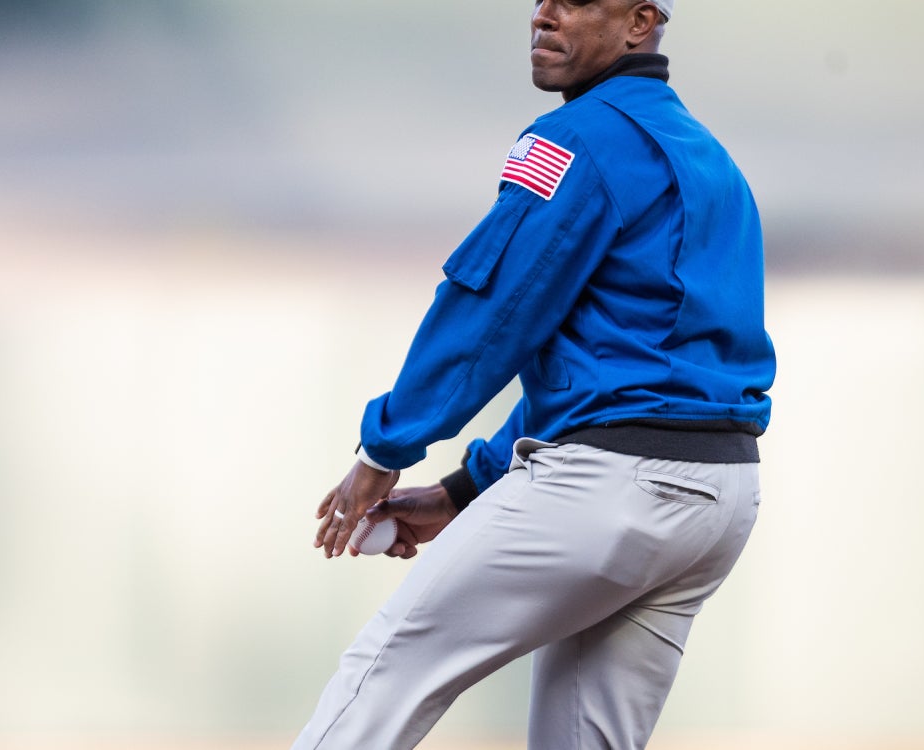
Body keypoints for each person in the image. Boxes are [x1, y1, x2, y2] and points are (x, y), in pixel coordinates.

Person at [296, 1, 775, 748]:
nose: (545, 15)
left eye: (576, 0)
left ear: (640, 21)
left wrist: (384, 449)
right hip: (717, 498)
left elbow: (493, 309)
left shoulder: (577, 138)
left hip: (610, 489)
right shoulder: (711, 160)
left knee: (385, 672)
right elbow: (622, 363)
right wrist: (465, 487)